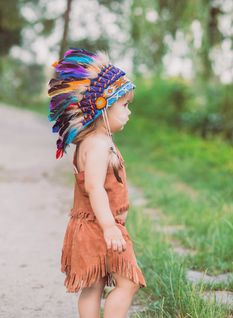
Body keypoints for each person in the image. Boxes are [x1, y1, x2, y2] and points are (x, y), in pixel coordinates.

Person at [48, 48, 147, 318]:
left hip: (88, 227)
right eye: (124, 105)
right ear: (102, 106)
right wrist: (109, 227)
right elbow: (94, 187)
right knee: (128, 283)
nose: (129, 112)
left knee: (93, 288)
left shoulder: (88, 143)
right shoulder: (99, 145)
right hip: (99, 228)